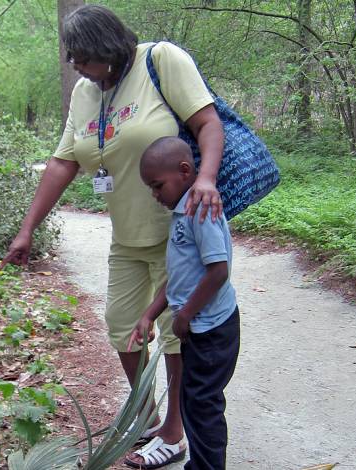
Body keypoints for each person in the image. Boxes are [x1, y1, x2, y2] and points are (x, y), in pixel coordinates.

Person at [0, 5, 227, 469]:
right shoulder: (86, 93)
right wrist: (27, 229)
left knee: (175, 333)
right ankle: (147, 417)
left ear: (107, 48)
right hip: (126, 234)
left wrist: (204, 178)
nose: (77, 66)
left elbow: (208, 124)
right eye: (73, 58)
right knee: (123, 326)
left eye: (83, 57)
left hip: (179, 231)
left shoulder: (160, 61)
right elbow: (64, 161)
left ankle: (174, 432)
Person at [129, 136, 239, 470]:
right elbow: (179, 277)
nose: (155, 194)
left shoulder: (200, 209)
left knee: (202, 405)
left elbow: (218, 271)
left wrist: (186, 314)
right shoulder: (182, 210)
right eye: (150, 187)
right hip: (198, 328)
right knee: (193, 400)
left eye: (158, 185)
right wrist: (150, 314)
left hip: (211, 331)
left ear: (184, 170)